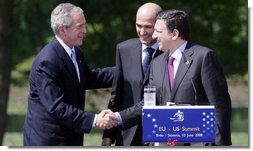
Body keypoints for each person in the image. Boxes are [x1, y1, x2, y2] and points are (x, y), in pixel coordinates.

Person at [115, 9, 232, 146]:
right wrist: (117, 117)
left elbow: (220, 106)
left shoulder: (204, 57)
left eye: (158, 31)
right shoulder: (156, 64)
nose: (153, 35)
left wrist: (218, 145)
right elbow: (147, 104)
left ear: (174, 34)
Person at [23, 3, 118, 146]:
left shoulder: (75, 52)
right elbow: (57, 107)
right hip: (49, 142)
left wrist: (124, 70)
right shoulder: (47, 61)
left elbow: (89, 78)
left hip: (70, 138)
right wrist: (95, 119)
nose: (85, 30)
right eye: (80, 26)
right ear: (62, 30)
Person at [102, 2, 162, 146]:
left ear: (159, 25)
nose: (142, 31)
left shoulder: (170, 53)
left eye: (148, 26)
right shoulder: (124, 50)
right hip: (127, 134)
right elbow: (116, 96)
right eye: (138, 25)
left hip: (159, 134)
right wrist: (108, 135)